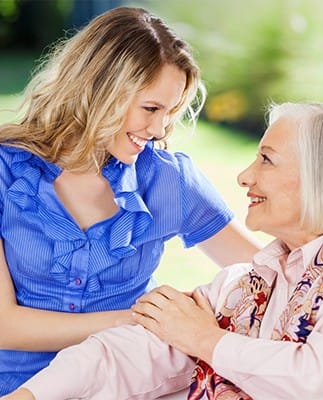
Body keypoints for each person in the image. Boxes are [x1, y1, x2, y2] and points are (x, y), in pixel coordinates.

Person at [3, 101, 323, 400]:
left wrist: (205, 339)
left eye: (266, 160)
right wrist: (29, 397)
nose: (245, 176)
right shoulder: (248, 282)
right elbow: (132, 351)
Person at [0, 6, 262, 395]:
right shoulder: (7, 173)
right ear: (99, 91)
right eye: (151, 109)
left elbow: (263, 271)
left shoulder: (169, 180)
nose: (159, 130)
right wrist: (140, 322)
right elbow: (6, 325)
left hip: (121, 386)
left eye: (169, 113)